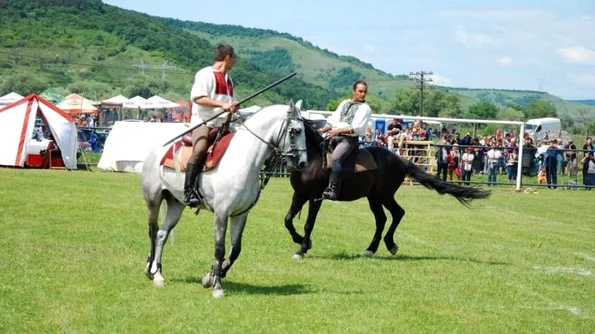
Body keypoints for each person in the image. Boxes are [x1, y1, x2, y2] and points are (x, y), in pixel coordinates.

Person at [185, 44, 239, 207]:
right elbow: (198, 98)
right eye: (233, 59)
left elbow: (229, 102)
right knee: (200, 149)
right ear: (228, 57)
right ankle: (188, 190)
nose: (234, 63)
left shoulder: (229, 79)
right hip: (204, 121)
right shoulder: (205, 74)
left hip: (224, 125)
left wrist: (234, 105)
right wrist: (221, 105)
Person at [319, 80, 372, 200]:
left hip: (348, 140)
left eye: (364, 92)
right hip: (334, 136)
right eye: (360, 91)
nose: (363, 94)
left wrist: (337, 131)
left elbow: (357, 128)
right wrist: (322, 131)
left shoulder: (365, 108)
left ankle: (333, 190)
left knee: (336, 158)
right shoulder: (344, 103)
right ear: (354, 91)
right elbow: (333, 120)